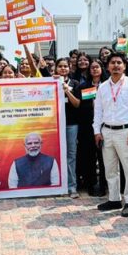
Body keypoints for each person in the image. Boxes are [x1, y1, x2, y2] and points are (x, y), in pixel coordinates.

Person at [93, 52, 128, 216]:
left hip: (126, 132)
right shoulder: (102, 87)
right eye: (112, 63)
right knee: (110, 168)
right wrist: (97, 131)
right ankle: (114, 199)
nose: (116, 65)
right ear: (107, 66)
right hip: (107, 132)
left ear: (124, 66)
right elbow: (98, 111)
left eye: (119, 63)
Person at [76, 59, 106, 196]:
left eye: (97, 67)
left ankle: (103, 185)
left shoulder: (107, 84)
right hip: (88, 126)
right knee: (89, 157)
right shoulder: (84, 86)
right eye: (92, 67)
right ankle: (91, 184)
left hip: (105, 125)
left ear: (102, 68)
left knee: (104, 157)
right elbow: (80, 106)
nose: (94, 69)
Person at [56, 58, 81, 198]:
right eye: (60, 66)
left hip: (71, 124)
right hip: (54, 125)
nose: (63, 68)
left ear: (70, 68)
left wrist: (67, 91)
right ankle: (58, 186)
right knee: (57, 155)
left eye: (65, 66)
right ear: (56, 68)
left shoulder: (75, 83)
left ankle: (72, 187)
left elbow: (77, 104)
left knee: (71, 155)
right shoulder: (51, 81)